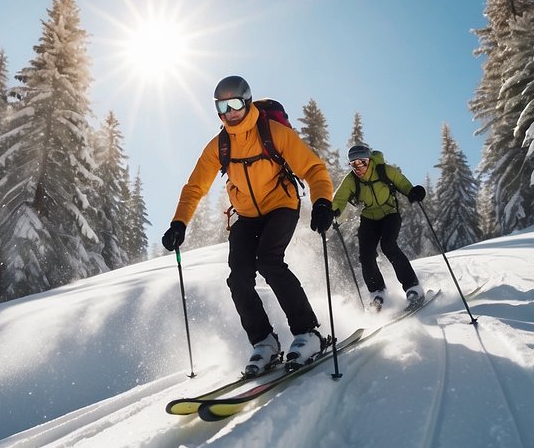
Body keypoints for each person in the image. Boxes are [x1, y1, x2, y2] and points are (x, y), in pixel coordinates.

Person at [161, 76, 335, 377]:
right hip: (246, 215)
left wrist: (322, 201)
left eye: (235, 104)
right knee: (238, 277)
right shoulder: (220, 146)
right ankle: (264, 342)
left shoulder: (273, 133)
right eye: (222, 106)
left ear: (248, 101)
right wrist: (179, 222)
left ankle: (309, 333)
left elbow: (313, 169)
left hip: (281, 205)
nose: (230, 112)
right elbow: (195, 187)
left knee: (269, 261)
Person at [330, 142, 427, 311]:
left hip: (390, 213)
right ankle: (378, 294)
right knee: (365, 254)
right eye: (353, 164)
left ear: (369, 161)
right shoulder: (351, 180)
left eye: (362, 162)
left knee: (388, 245)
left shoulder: (383, 170)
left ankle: (413, 288)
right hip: (369, 217)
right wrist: (330, 212)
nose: (358, 167)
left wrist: (413, 192)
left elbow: (402, 182)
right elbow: (339, 199)